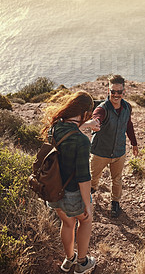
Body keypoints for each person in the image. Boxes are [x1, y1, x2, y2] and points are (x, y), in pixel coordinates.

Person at [43, 91, 100, 274]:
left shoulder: (55, 127)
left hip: (54, 189)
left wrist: (86, 124)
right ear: (83, 113)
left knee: (67, 224)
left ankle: (69, 260)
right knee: (86, 221)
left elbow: (70, 130)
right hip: (73, 193)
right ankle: (82, 263)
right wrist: (87, 205)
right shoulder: (81, 141)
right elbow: (84, 178)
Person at [86, 74, 138, 218]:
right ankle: (89, 195)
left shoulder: (127, 107)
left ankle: (115, 202)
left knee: (117, 179)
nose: (116, 95)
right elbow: (97, 119)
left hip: (119, 152)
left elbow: (128, 124)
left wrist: (134, 143)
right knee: (92, 178)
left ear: (124, 92)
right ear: (108, 91)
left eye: (119, 92)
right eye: (112, 91)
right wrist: (95, 124)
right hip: (100, 152)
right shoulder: (102, 109)